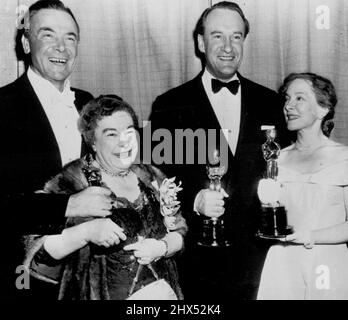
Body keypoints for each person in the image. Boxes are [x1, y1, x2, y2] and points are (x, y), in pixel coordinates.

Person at [149, 1, 290, 299]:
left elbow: (284, 174)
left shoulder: (270, 103)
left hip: (261, 259)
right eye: (217, 36)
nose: (228, 46)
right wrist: (194, 200)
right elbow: (158, 181)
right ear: (201, 42)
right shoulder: (169, 105)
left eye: (236, 36)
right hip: (199, 262)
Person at [0, 0, 113, 299]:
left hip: (91, 279)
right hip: (24, 280)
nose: (61, 47)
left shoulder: (92, 104)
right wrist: (69, 205)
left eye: (70, 37)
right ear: (26, 43)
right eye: (47, 35)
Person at [23, 95, 187, 300]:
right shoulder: (71, 183)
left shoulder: (151, 176)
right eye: (111, 134)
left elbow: (180, 229)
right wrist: (85, 232)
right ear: (92, 141)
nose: (124, 142)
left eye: (129, 131)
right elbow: (38, 254)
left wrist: (162, 247)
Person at [257, 72, 348, 300]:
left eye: (300, 98)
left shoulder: (344, 158)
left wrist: (309, 235)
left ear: (322, 109)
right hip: (282, 263)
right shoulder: (276, 159)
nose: (289, 105)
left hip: (328, 263)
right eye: (287, 98)